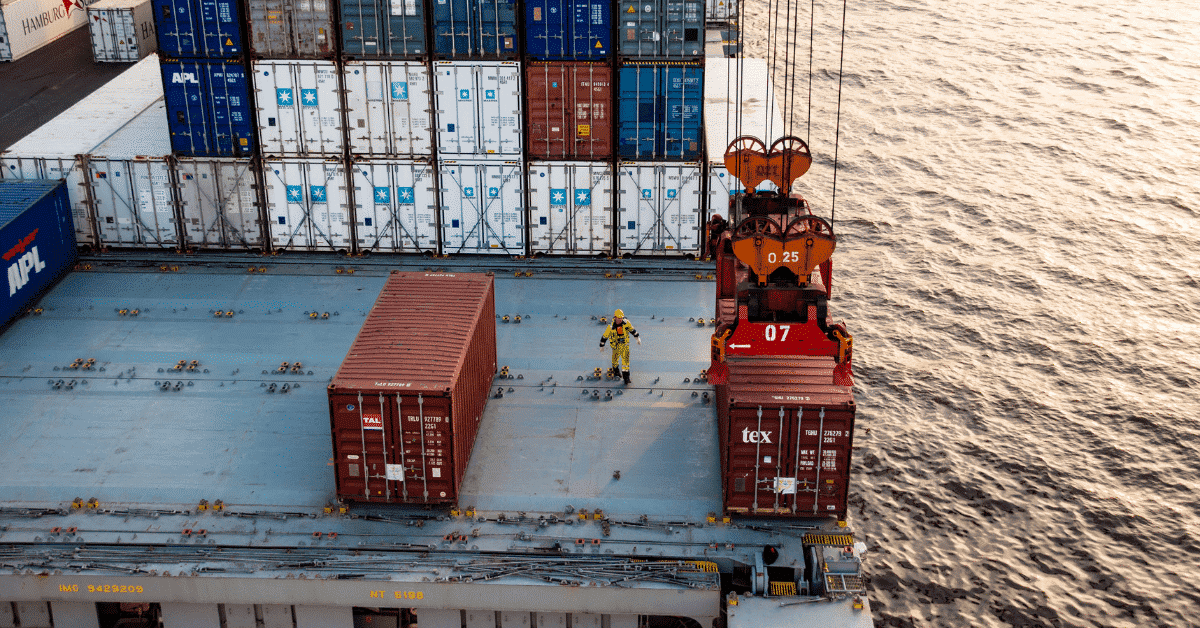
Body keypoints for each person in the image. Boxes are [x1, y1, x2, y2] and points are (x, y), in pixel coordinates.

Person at [599, 308, 640, 384]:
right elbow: (605, 336)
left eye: (621, 318)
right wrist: (602, 345)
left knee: (626, 363)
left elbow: (632, 330)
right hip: (616, 346)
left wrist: (637, 337)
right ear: (615, 317)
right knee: (615, 360)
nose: (620, 319)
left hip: (625, 346)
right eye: (618, 318)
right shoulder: (610, 327)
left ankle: (626, 377)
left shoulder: (626, 323)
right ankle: (616, 372)